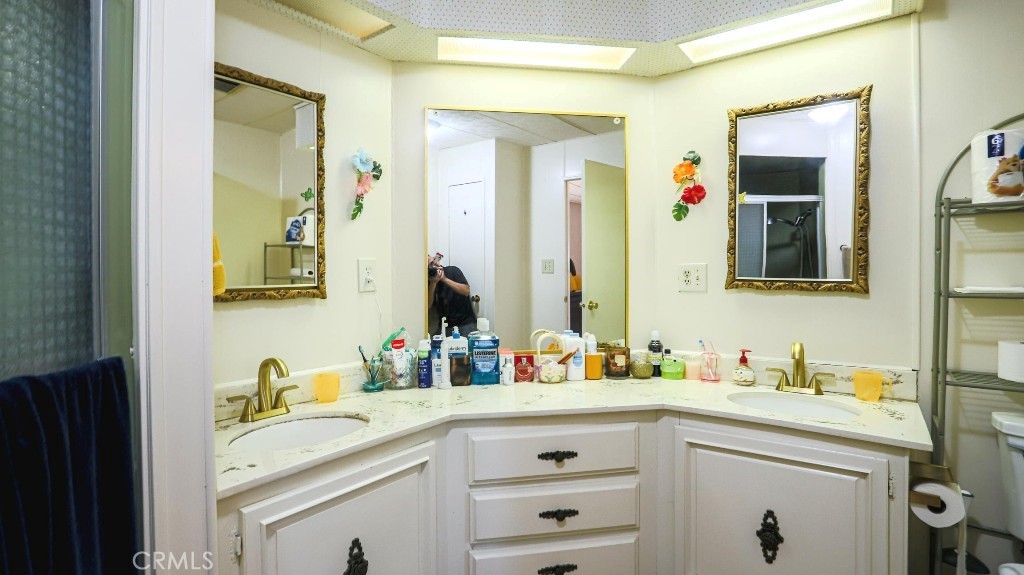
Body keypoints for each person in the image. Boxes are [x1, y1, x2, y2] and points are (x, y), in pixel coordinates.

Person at [428, 256, 477, 336]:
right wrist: (433, 283)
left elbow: (466, 291)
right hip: (445, 326)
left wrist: (445, 279)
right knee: (433, 345)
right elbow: (429, 306)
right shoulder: (430, 281)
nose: (433, 266)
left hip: (465, 323)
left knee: (465, 346)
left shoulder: (453, 271)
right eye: (429, 266)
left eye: (433, 262)